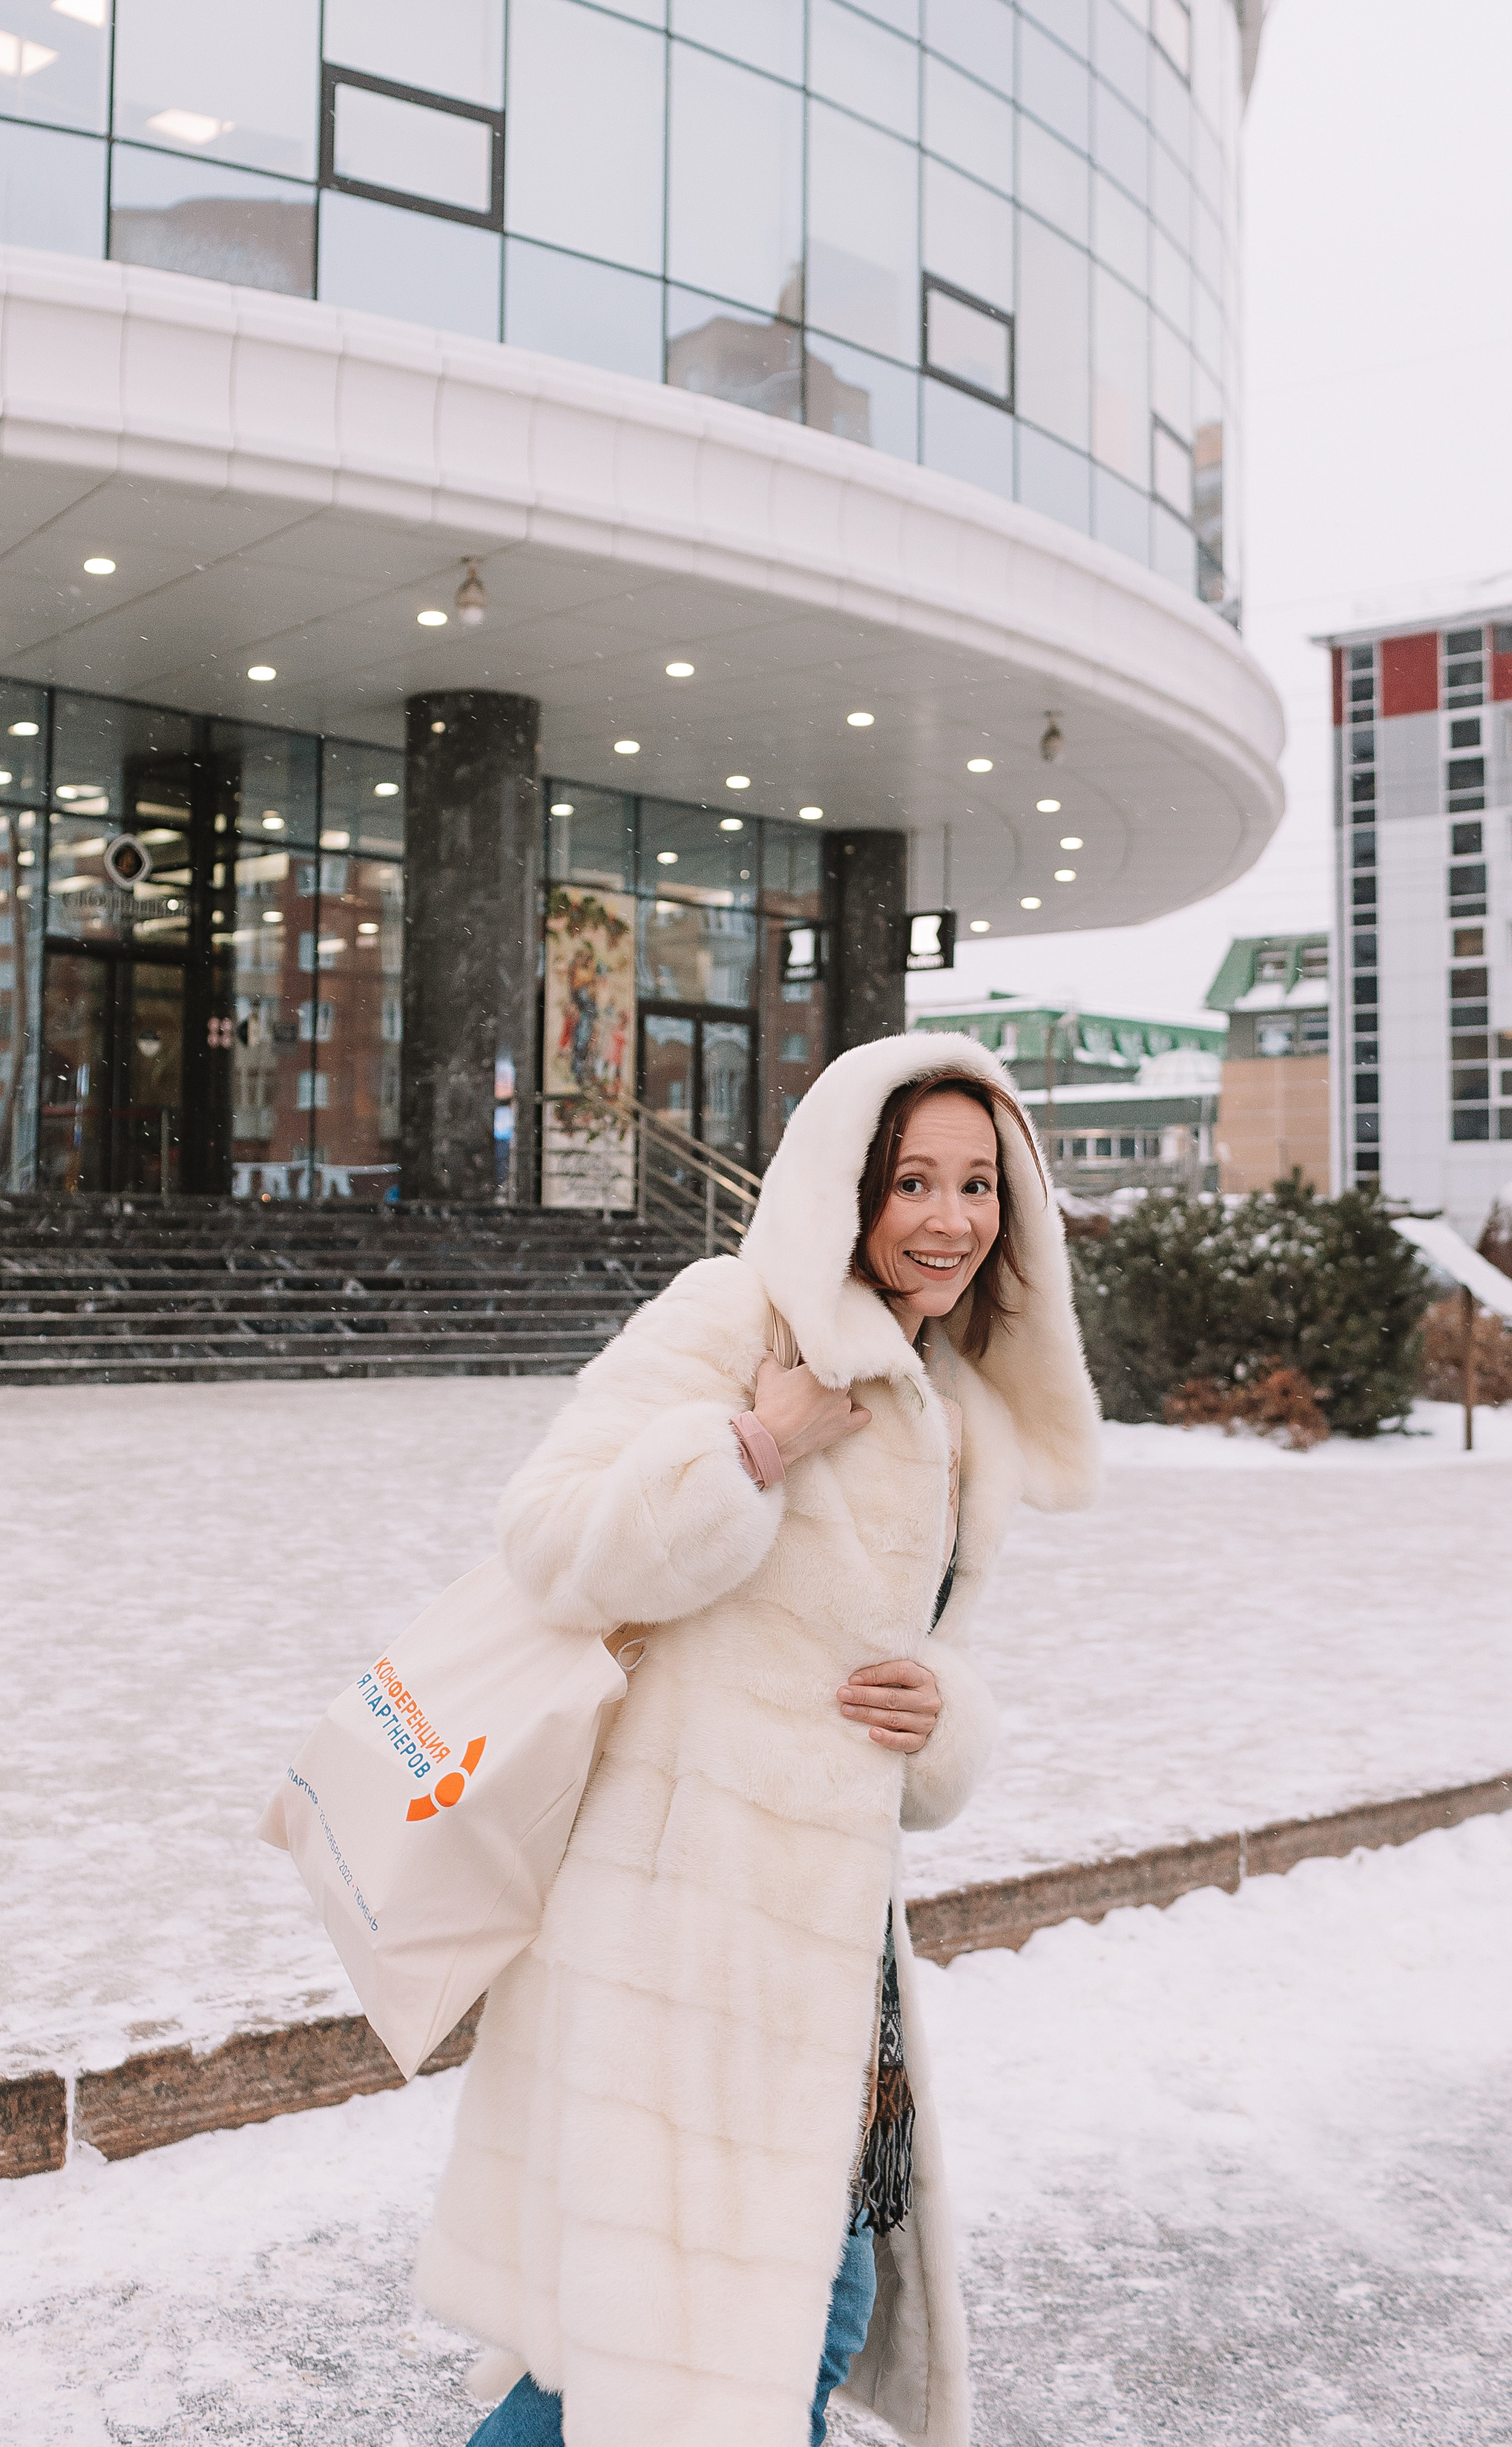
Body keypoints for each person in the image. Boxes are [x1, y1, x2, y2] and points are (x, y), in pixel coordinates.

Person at [417, 1031, 1101, 2447]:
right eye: (913, 1180)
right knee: (693, 2354)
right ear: (846, 1188)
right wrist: (752, 1449)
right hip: (678, 1935)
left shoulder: (960, 1413)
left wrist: (944, 1717)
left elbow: (929, 1667)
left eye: (979, 1185)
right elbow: (550, 1537)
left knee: (743, 2336)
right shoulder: (738, 1316)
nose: (950, 1219)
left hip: (836, 1967)